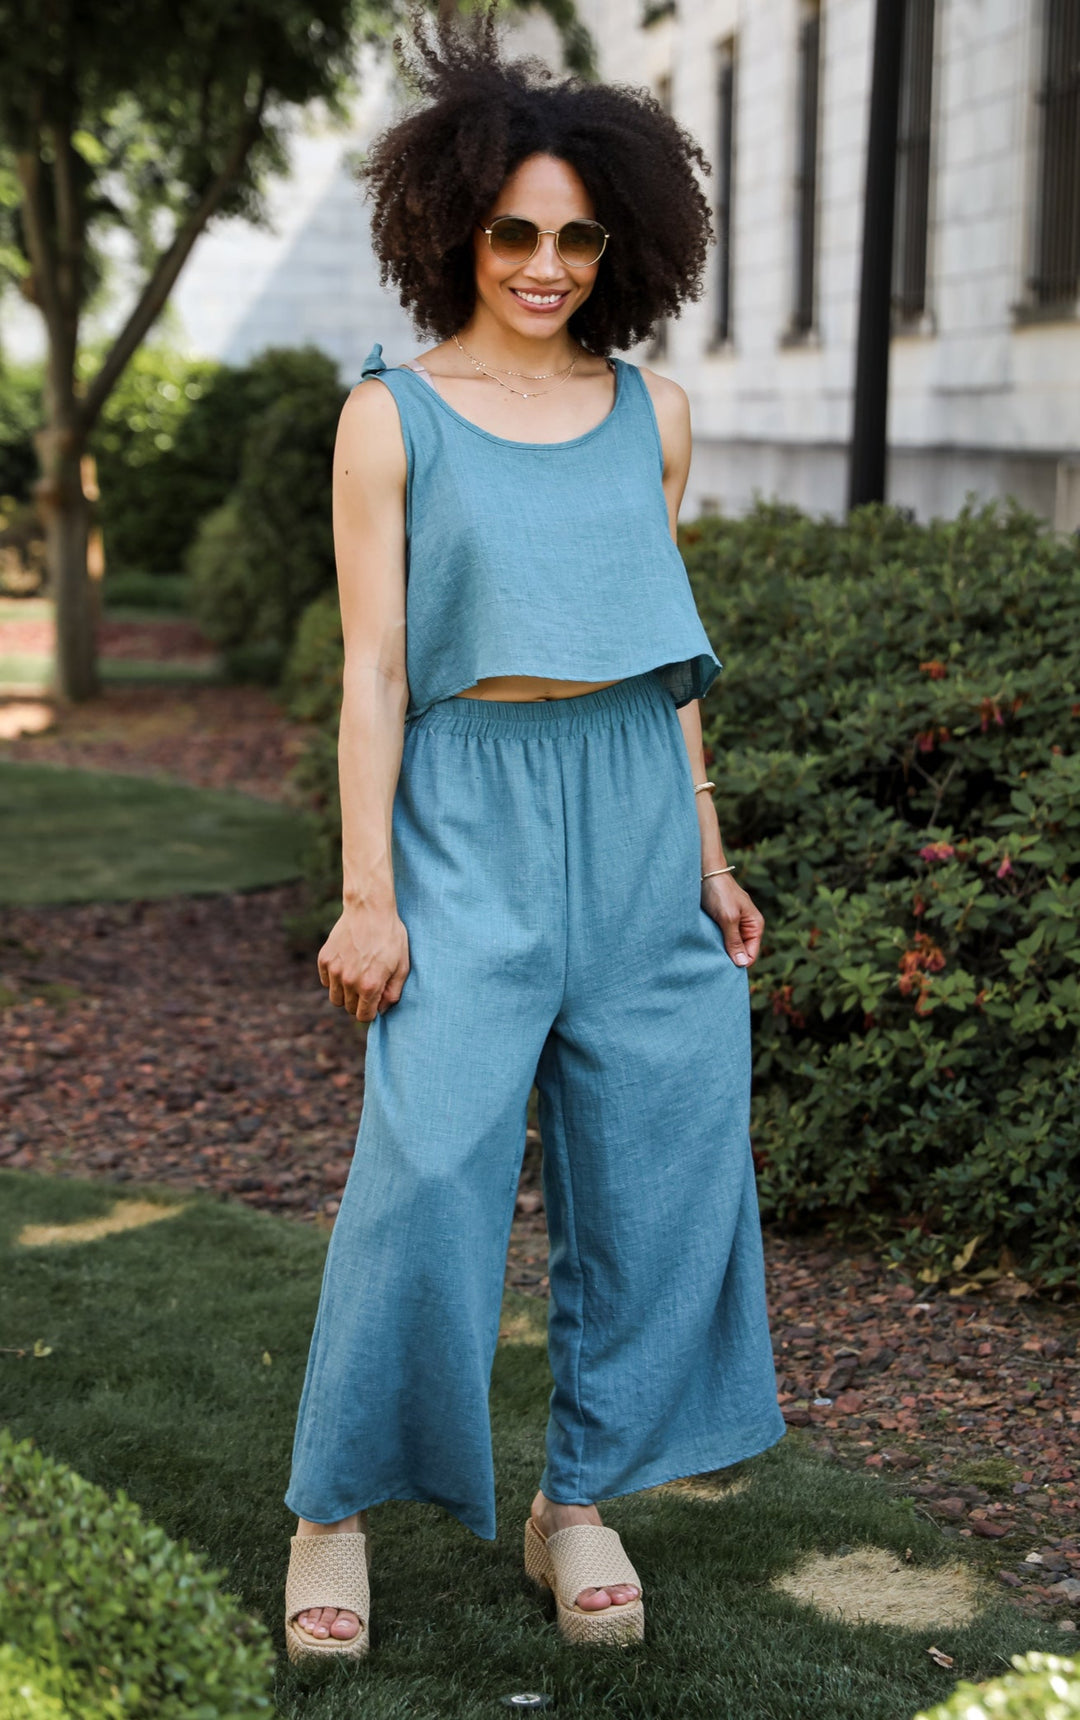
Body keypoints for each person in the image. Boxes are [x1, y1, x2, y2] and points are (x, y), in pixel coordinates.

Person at [282, 1, 786, 1661]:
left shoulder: (658, 416)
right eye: (516, 233)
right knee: (422, 1175)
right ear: (456, 229)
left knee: (657, 1169)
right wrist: (371, 892)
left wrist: (707, 856)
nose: (547, 264)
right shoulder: (392, 417)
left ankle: (576, 1502)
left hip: (638, 814)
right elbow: (372, 669)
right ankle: (333, 1513)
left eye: (577, 237)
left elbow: (665, 651)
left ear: (621, 240)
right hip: (468, 823)